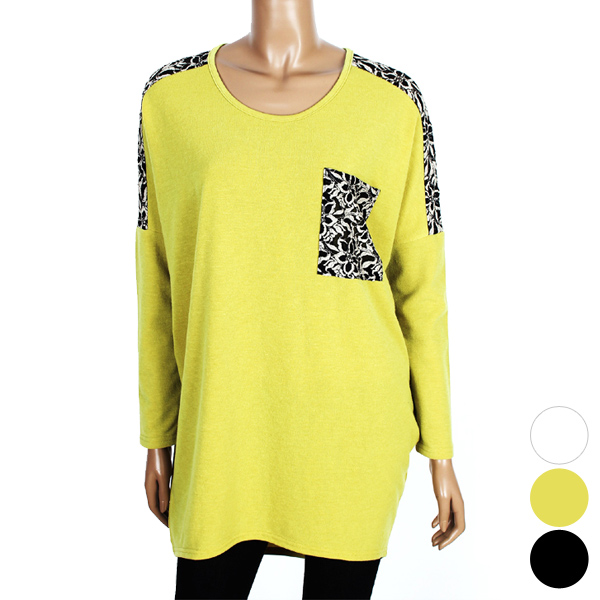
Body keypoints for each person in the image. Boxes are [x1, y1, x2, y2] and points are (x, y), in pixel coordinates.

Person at [136, 3, 465, 599]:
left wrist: (440, 451)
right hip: (224, 433)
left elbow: (421, 290)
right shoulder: (169, 100)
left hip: (352, 434)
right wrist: (157, 435)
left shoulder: (392, 103)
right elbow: (156, 279)